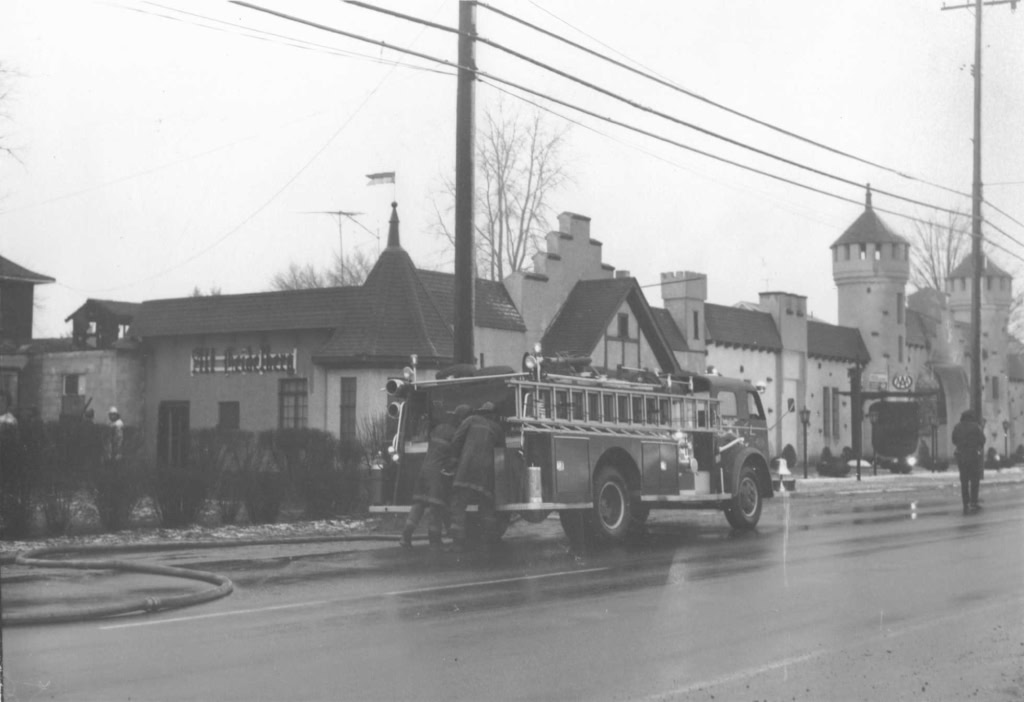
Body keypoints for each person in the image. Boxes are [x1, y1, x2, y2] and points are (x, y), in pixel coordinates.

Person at [400, 404, 471, 550]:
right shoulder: (458, 433)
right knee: (436, 506)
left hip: (424, 470)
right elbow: (456, 455)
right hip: (437, 474)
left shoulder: (439, 429)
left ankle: (405, 537)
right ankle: (434, 540)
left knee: (418, 504)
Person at [448, 401, 505, 551]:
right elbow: (501, 453)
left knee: (458, 505)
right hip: (486, 475)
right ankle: (489, 542)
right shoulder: (497, 428)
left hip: (466, 470)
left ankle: (457, 543)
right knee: (486, 508)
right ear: (494, 415)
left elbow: (457, 439)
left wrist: (453, 460)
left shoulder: (470, 420)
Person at [952, 409, 985, 514]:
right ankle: (973, 502)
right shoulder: (976, 427)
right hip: (973, 456)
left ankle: (965, 502)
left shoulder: (957, 427)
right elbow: (982, 439)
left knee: (964, 480)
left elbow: (953, 440)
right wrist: (978, 446)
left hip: (961, 456)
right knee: (974, 480)